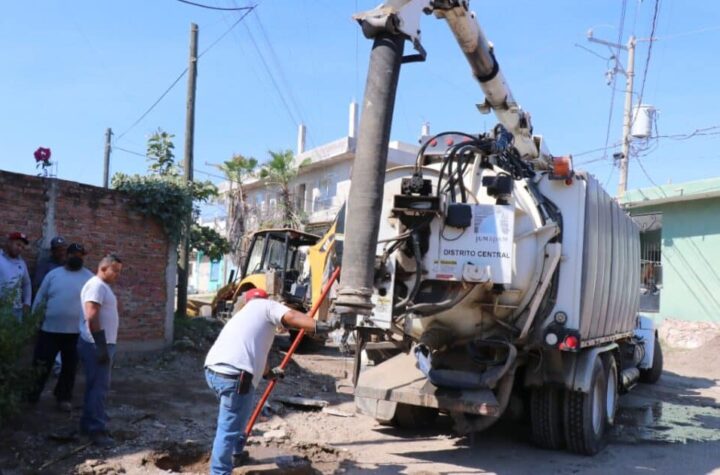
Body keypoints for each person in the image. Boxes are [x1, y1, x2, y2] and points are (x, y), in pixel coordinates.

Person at [204, 289, 332, 475]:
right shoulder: (265, 306)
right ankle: (220, 472)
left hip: (214, 371)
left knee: (238, 413)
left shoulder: (245, 318)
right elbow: (292, 316)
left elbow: (256, 353)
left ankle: (236, 454)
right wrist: (318, 326)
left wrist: (269, 373)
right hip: (235, 376)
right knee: (229, 427)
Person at [28, 244, 93, 411]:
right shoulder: (53, 275)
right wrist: (34, 319)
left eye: (80, 255)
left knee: (69, 368)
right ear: (67, 255)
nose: (76, 257)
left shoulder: (89, 278)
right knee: (41, 365)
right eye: (73, 254)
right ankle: (32, 396)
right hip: (49, 330)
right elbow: (40, 298)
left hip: (75, 333)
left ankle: (63, 398)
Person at [77, 254, 123, 447]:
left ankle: (88, 425)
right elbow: (92, 316)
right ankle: (97, 430)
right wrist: (101, 345)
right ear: (103, 268)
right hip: (96, 344)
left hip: (100, 343)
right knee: (99, 388)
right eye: (115, 271)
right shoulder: (96, 286)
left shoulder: (102, 287)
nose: (117, 275)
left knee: (94, 386)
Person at [0, 232, 32, 321]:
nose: (20, 249)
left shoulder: (21, 263)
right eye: (18, 244)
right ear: (9, 242)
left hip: (17, 310)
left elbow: (27, 284)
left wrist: (27, 303)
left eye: (22, 247)